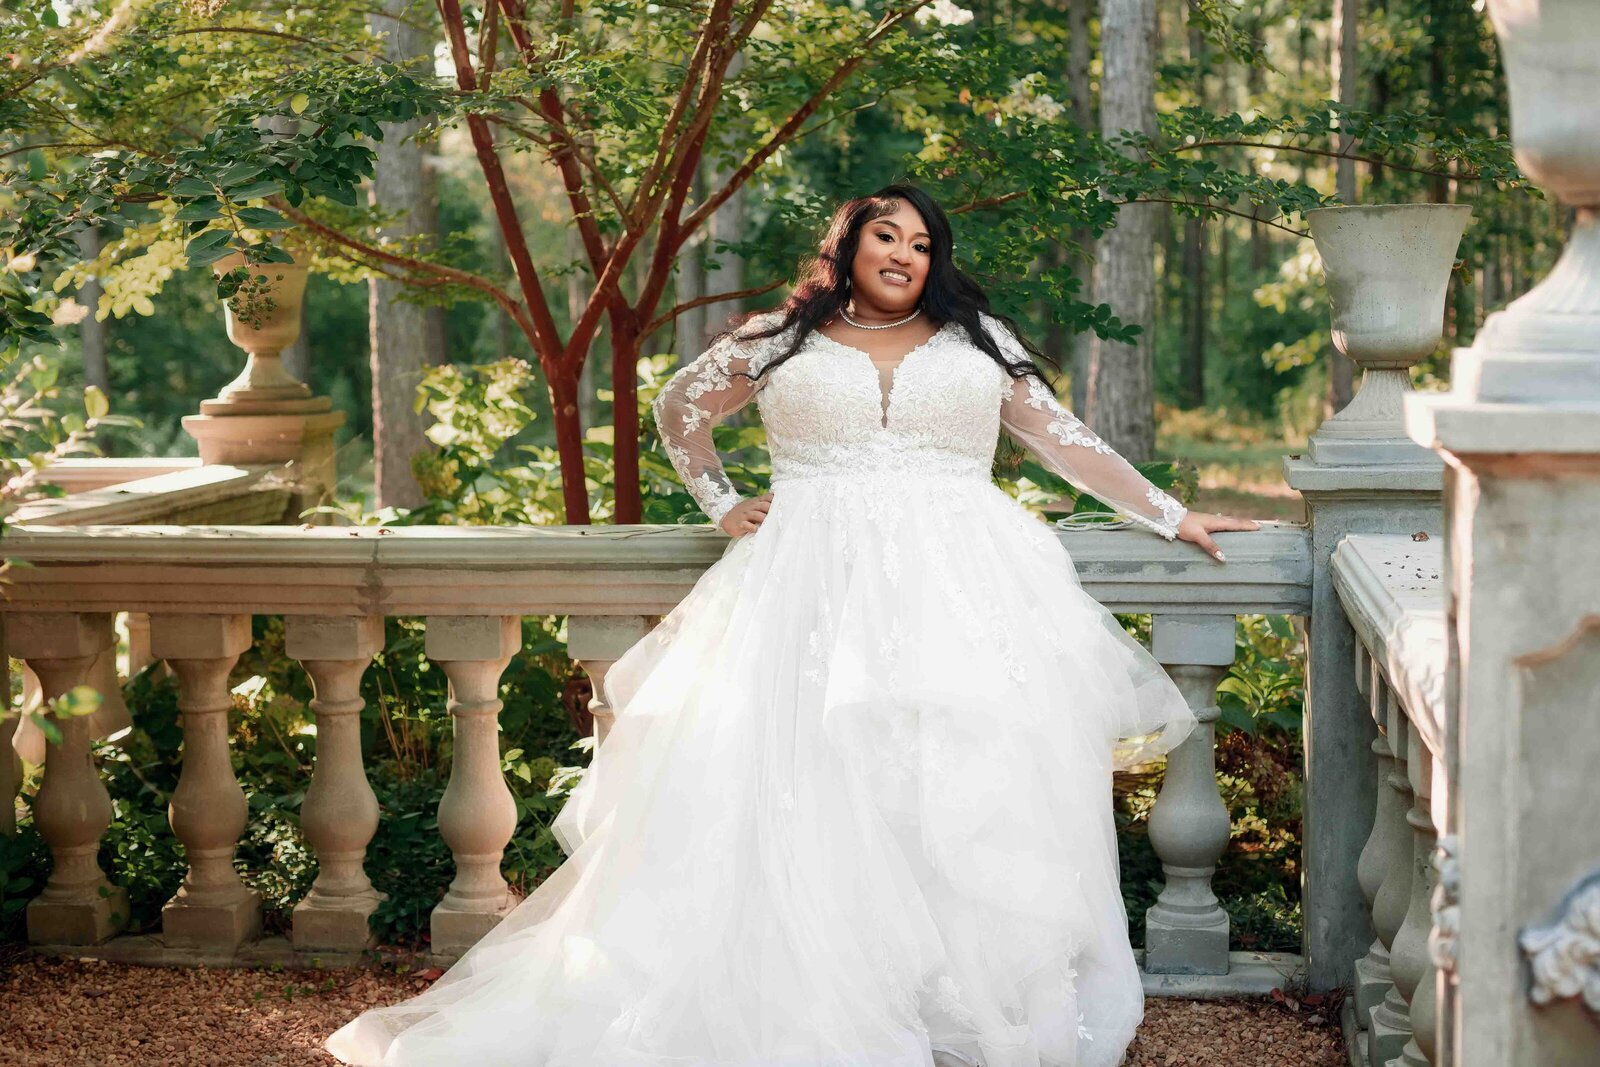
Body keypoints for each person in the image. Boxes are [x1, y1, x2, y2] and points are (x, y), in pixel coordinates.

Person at [326, 183, 1260, 1067]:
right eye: (886, 234)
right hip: (805, 590)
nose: (903, 253)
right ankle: (818, 996)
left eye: (922, 243)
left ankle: (952, 999)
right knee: (808, 783)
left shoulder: (978, 340)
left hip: (965, 592)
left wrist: (1173, 514)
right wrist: (722, 500)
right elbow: (679, 405)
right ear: (849, 243)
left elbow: (1064, 439)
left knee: (949, 786)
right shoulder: (782, 337)